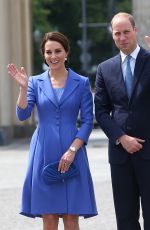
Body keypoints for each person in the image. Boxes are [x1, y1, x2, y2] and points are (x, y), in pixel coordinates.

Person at [8, 31, 97, 230]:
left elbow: (88, 122)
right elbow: (23, 115)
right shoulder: (34, 82)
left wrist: (73, 150)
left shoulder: (81, 82)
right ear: (44, 55)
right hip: (43, 151)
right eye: (48, 52)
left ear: (66, 53)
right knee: (48, 216)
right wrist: (23, 89)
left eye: (58, 51)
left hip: (72, 150)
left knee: (71, 215)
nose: (53, 56)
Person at [94, 12, 150, 230]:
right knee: (125, 220)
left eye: (126, 32)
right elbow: (100, 111)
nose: (122, 37)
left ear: (135, 31)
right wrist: (120, 137)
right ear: (113, 36)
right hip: (120, 156)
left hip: (149, 153)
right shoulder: (104, 69)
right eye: (117, 33)